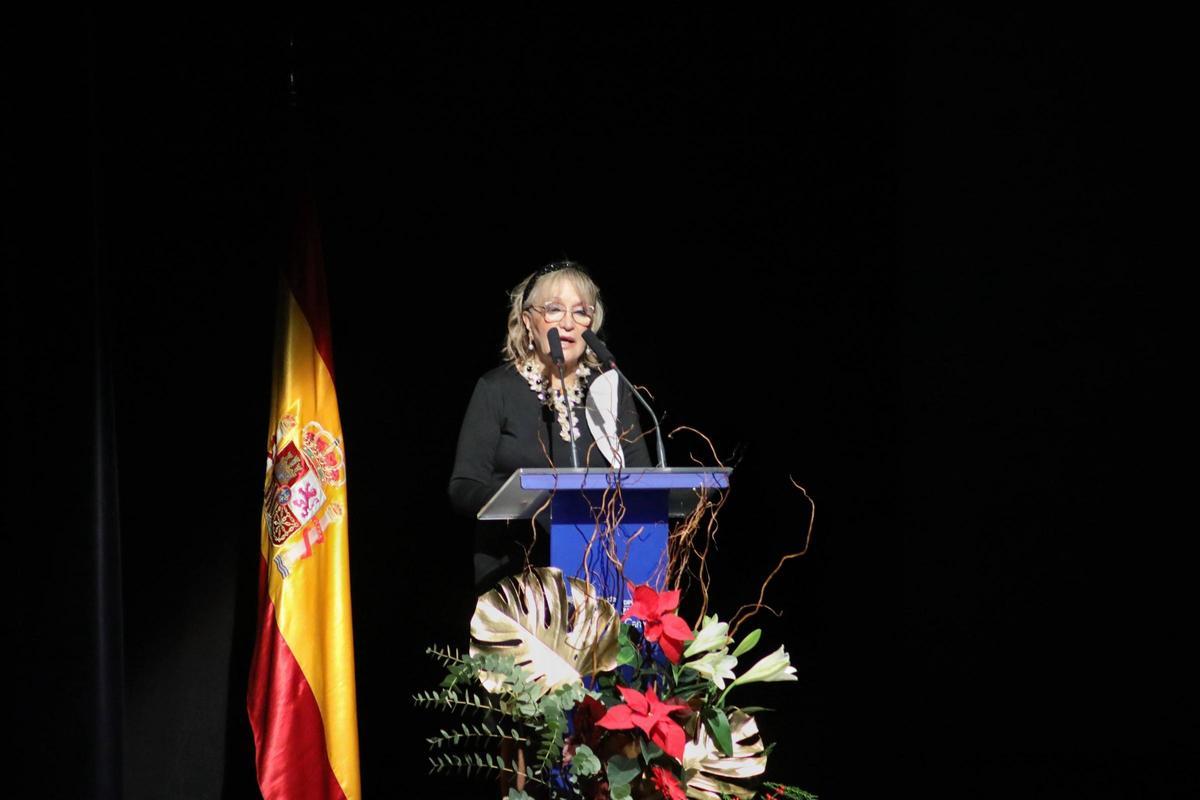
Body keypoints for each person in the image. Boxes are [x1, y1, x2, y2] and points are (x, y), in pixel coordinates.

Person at [449, 260, 653, 592]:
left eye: (581, 311)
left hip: (602, 571)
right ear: (529, 322)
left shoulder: (609, 389)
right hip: (517, 575)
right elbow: (463, 488)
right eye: (555, 310)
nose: (570, 323)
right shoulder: (496, 389)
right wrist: (527, 500)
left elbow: (643, 482)